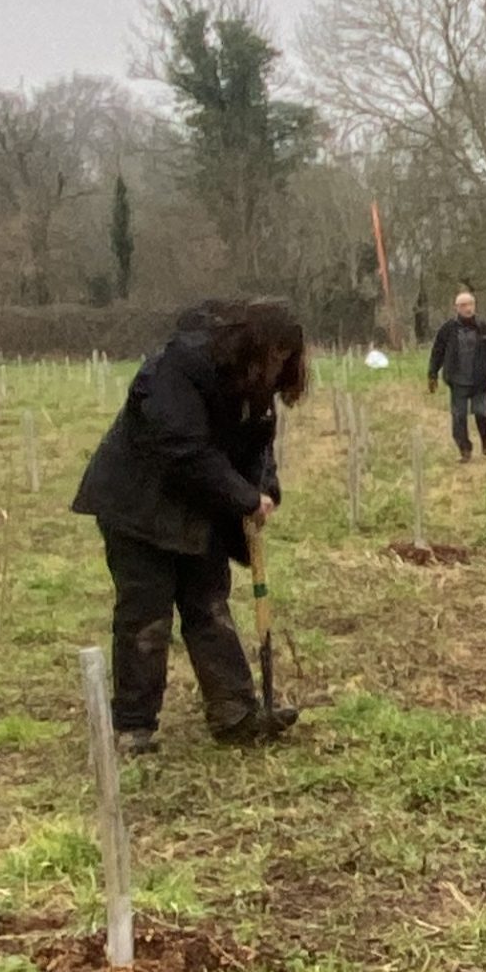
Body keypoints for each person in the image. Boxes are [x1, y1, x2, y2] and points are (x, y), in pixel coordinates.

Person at [71, 297, 308, 753]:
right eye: (276, 357)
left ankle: (235, 712)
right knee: (147, 615)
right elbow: (182, 449)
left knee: (209, 607)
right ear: (251, 346)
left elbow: (257, 450)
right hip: (138, 505)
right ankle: (134, 728)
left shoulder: (253, 392)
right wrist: (241, 497)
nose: (280, 369)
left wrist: (264, 492)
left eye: (287, 359)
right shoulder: (176, 370)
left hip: (198, 508)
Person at [426, 289, 486, 461]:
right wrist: (432, 373)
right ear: (456, 308)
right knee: (459, 418)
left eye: (470, 304)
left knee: (482, 413)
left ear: (474, 306)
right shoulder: (447, 330)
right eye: (463, 305)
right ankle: (465, 450)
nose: (467, 308)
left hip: (480, 381)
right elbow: (437, 352)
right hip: (457, 381)